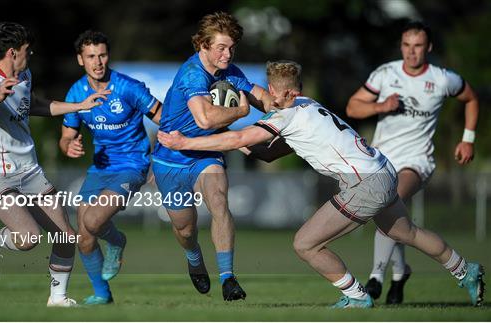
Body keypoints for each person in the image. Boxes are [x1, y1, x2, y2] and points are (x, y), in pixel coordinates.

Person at [157, 60, 485, 308]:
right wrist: (248, 146)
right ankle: (465, 270)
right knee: (406, 232)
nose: (269, 96)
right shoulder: (307, 105)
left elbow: (242, 135)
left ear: (281, 92)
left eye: (271, 91)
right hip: (384, 170)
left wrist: (184, 143)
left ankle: (356, 295)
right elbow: (271, 150)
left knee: (305, 244)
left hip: (364, 184)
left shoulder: (285, 115)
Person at [0, 22, 109, 307]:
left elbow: (32, 105)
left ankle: (57, 299)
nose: (30, 55)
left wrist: (80, 106)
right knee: (28, 238)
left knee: (66, 236)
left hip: (29, 170)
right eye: (26, 51)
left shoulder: (24, 75)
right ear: (12, 52)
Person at [345, 21, 480, 304]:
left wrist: (468, 138)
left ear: (428, 48)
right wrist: (381, 106)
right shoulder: (385, 74)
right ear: (401, 47)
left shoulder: (443, 79)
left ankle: (375, 278)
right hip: (381, 160)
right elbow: (352, 106)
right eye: (407, 45)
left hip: (417, 161)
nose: (411, 52)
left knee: (388, 201)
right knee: (394, 217)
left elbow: (471, 98)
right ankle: (400, 273)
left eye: (418, 46)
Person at [151, 11, 275, 301]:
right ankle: (194, 259)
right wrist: (242, 113)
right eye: (220, 47)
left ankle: (228, 278)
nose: (227, 54)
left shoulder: (228, 71)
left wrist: (285, 105)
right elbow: (205, 119)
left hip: (207, 153)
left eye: (231, 47)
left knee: (219, 201)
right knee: (185, 229)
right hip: (171, 158)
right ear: (202, 45)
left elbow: (261, 96)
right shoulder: (192, 73)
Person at [59, 30, 162, 305]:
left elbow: (165, 119)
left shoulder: (128, 87)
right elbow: (66, 135)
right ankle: (102, 295)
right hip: (100, 168)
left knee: (93, 221)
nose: (98, 62)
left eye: (102, 55)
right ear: (80, 59)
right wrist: (68, 145)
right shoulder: (76, 92)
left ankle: (116, 242)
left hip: (132, 165)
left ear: (108, 56)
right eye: (91, 56)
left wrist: (162, 155)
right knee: (83, 234)